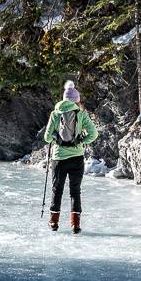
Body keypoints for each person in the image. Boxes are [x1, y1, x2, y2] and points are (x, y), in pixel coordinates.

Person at [43, 81, 98, 234]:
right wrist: (82, 140)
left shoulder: (55, 113)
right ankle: (75, 225)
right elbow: (94, 134)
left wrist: (56, 138)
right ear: (76, 100)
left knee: (57, 189)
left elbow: (47, 138)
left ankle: (54, 222)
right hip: (77, 158)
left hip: (59, 158)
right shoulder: (81, 114)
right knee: (75, 191)